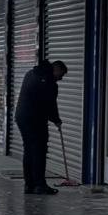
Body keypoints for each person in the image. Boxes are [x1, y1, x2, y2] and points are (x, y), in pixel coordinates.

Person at [14, 59, 67, 194]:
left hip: (22, 116)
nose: (60, 79)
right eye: (61, 75)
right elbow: (50, 105)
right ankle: (39, 185)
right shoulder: (49, 82)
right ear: (56, 70)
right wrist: (56, 120)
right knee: (39, 151)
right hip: (35, 119)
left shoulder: (31, 73)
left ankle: (29, 184)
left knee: (29, 150)